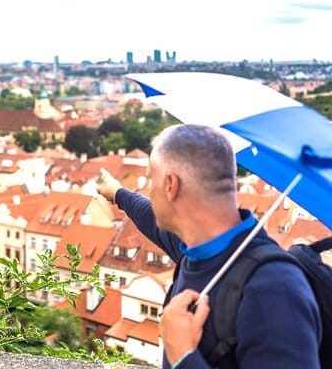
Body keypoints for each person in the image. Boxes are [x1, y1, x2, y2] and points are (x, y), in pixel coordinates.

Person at [96, 124, 321, 369]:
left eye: (151, 180)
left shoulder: (274, 287)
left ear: (170, 185)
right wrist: (117, 193)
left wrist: (183, 357)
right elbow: (150, 217)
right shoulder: (197, 247)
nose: (150, 190)